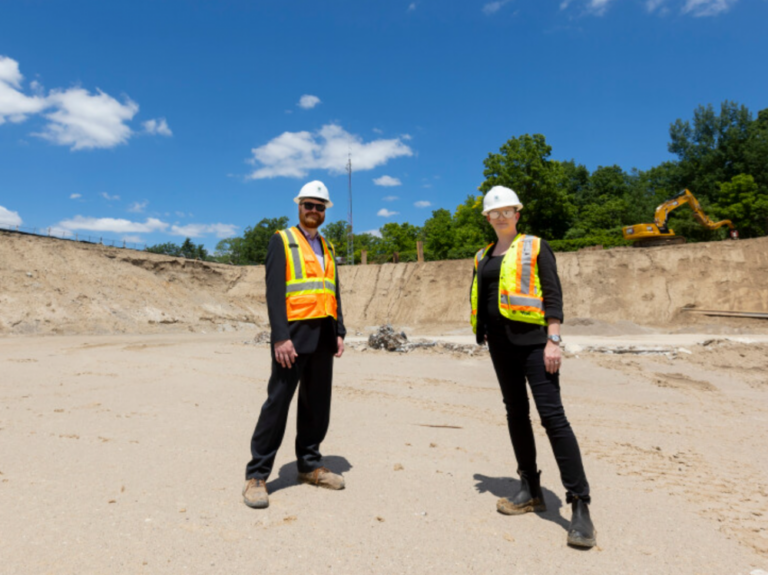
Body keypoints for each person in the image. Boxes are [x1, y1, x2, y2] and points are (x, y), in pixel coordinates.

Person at [470, 186, 596, 548]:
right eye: (494, 213)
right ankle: (530, 488)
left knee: (553, 417)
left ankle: (580, 505)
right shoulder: (482, 255)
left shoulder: (535, 246)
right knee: (516, 415)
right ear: (487, 218)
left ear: (517, 214)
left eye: (506, 211)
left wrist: (553, 339)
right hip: (500, 346)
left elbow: (552, 293)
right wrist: (483, 334)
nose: (500, 217)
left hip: (535, 345)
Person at [243, 180, 347, 509]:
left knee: (317, 405)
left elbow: (332, 290)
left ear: (325, 211)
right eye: (308, 204)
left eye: (319, 206)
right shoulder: (282, 240)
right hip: (293, 337)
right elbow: (274, 292)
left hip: (324, 336)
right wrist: (280, 336)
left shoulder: (327, 246)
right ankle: (257, 475)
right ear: (298, 206)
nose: (313, 210)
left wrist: (340, 329)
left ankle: (309, 465)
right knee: (278, 404)